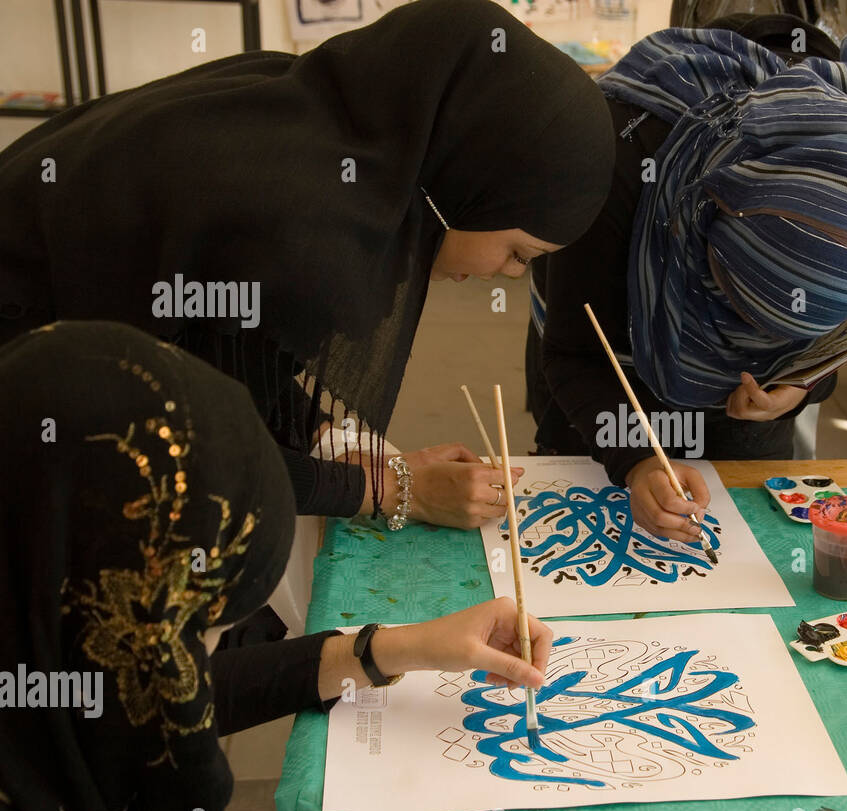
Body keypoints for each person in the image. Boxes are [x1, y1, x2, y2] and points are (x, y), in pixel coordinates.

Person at [0, 0, 614, 528]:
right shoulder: (299, 226)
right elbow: (211, 458)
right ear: (472, 181)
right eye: (517, 254)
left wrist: (336, 440)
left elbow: (235, 351)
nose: (509, 275)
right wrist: (398, 492)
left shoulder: (312, 121)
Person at [0, 322, 553, 811]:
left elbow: (189, 687)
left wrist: (392, 647)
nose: (205, 657)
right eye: (201, 631)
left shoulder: (61, 680)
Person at [527, 15, 847, 542]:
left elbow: (829, 346)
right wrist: (636, 459)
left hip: (745, 423)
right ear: (705, 224)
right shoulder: (615, 161)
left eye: (780, 335)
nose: (756, 344)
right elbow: (574, 353)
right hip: (603, 383)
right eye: (739, 308)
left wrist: (798, 386)